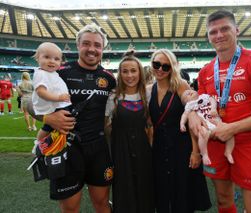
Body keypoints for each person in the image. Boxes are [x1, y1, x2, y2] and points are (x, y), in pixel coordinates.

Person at [188, 10, 251, 213]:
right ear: (208, 36)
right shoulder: (206, 71)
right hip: (214, 144)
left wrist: (232, 128)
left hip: (248, 143)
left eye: (225, 29)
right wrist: (192, 115)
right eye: (213, 31)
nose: (219, 35)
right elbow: (199, 105)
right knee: (223, 201)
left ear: (237, 30)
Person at [29, 23, 116, 212]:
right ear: (78, 46)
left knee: (102, 203)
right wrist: (48, 119)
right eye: (86, 44)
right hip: (66, 147)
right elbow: (29, 103)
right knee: (70, 207)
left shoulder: (109, 79)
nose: (92, 49)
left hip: (98, 148)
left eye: (97, 45)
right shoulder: (57, 72)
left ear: (103, 48)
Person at [148, 49, 211, 213]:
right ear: (151, 65)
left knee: (183, 194)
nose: (160, 69)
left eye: (165, 66)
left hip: (181, 148)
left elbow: (191, 113)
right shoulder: (149, 89)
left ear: (172, 68)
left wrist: (196, 152)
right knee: (162, 193)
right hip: (159, 150)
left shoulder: (180, 85)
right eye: (157, 64)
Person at [105, 51, 154, 213]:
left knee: (144, 188)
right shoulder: (113, 96)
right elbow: (106, 126)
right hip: (121, 151)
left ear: (140, 72)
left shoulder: (147, 94)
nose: (129, 75)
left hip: (143, 150)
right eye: (125, 71)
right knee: (124, 189)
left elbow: (150, 123)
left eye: (133, 70)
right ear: (119, 74)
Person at [180, 89, 234, 165]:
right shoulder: (190, 105)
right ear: (186, 102)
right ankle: (204, 154)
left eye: (190, 91)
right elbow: (185, 115)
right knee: (202, 135)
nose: (189, 92)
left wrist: (213, 108)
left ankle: (228, 152)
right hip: (205, 125)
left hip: (216, 122)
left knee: (230, 133)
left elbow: (212, 100)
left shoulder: (204, 96)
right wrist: (182, 124)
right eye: (186, 95)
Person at [31, 42, 71, 142]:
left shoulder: (52, 73)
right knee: (48, 127)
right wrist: (59, 98)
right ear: (37, 58)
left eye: (56, 59)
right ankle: (39, 143)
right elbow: (41, 92)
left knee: (52, 127)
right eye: (47, 57)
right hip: (53, 107)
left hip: (58, 105)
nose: (52, 61)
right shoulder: (41, 73)